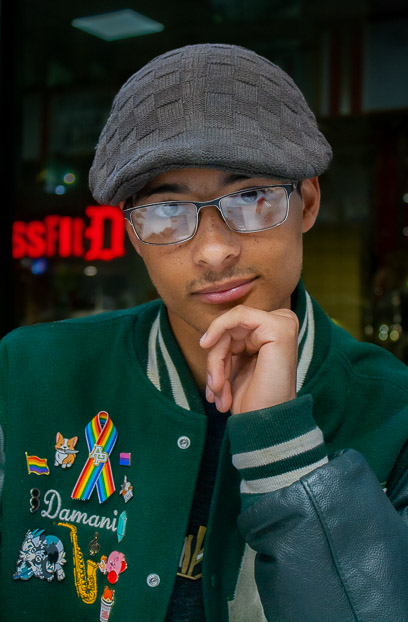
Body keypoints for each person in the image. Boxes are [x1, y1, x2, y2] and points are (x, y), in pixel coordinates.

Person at [1, 43, 408, 622]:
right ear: (133, 233)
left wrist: (280, 448)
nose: (214, 251)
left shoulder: (394, 413)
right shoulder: (27, 376)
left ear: (309, 202)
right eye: (167, 210)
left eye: (251, 197)